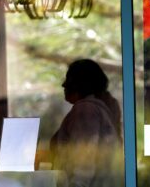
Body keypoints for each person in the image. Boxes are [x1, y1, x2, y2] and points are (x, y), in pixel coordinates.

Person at [50, 59, 123, 187]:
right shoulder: (99, 109)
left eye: (68, 78)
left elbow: (84, 159)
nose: (63, 85)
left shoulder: (86, 110)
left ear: (79, 83)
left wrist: (78, 184)